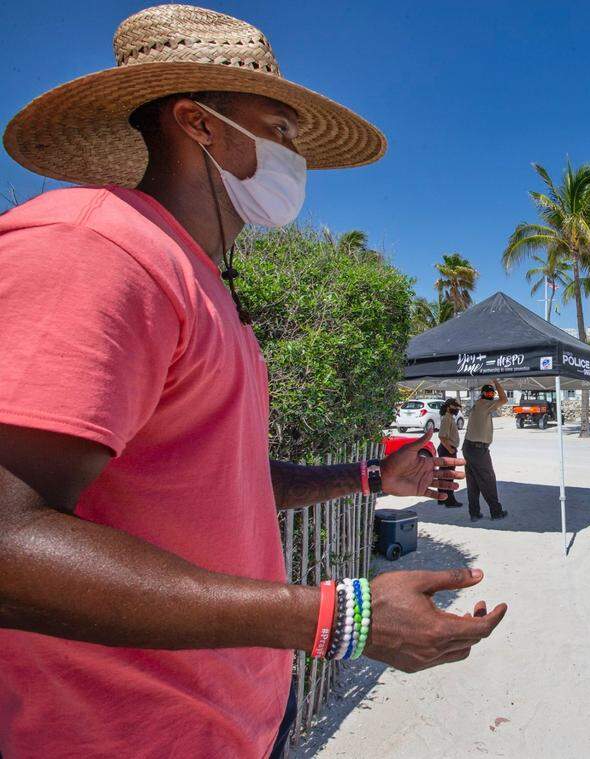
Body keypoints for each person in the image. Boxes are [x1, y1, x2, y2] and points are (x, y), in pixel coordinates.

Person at [0, 7, 505, 758]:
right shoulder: (95, 246)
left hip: (233, 720)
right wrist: (335, 618)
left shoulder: (199, 280)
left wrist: (370, 475)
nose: (292, 154)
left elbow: (215, 483)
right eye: (280, 128)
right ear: (197, 124)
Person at [463, 381, 509, 521]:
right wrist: (496, 382)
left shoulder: (477, 404)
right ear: (483, 394)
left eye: (492, 393)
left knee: (473, 483)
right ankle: (496, 512)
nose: (491, 395)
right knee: (488, 480)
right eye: (488, 393)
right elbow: (504, 399)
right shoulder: (486, 404)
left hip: (468, 447)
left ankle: (474, 513)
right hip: (478, 449)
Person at [438, 399, 464, 508]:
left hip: (447, 448)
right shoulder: (447, 418)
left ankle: (442, 498)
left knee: (444, 474)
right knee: (449, 475)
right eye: (455, 407)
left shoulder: (449, 418)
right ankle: (449, 500)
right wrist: (450, 450)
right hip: (447, 449)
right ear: (449, 407)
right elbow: (442, 436)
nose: (457, 409)